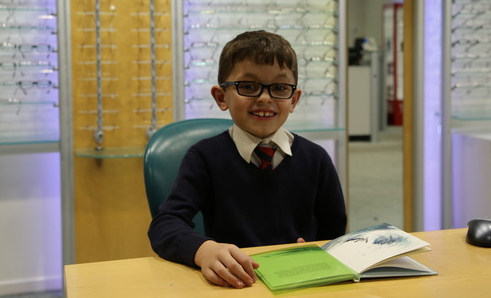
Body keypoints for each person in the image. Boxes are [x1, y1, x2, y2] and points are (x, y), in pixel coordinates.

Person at [148, 30, 347, 289]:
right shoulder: (204, 158)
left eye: (279, 87)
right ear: (221, 97)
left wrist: (319, 249)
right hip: (233, 284)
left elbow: (334, 230)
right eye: (249, 86)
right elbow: (165, 225)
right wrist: (203, 250)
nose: (265, 98)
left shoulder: (316, 158)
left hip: (299, 283)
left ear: (294, 99)